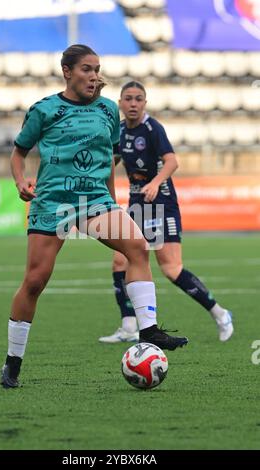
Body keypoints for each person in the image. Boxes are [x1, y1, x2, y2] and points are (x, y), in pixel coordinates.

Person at [0, 46, 188, 389]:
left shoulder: (106, 110)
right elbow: (18, 153)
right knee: (35, 281)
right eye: (87, 69)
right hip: (54, 203)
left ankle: (148, 330)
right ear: (67, 71)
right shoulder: (44, 110)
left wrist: (114, 204)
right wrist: (20, 182)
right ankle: (13, 362)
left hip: (95, 201)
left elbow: (107, 163)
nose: (94, 75)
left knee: (136, 245)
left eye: (97, 69)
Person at [99, 81, 233, 344]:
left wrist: (155, 182)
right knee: (119, 261)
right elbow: (110, 164)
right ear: (121, 103)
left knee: (171, 268)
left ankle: (220, 313)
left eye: (138, 99)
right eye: (128, 99)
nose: (133, 104)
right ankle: (128, 326)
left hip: (162, 202)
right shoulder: (120, 131)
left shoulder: (152, 128)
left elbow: (172, 161)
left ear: (145, 103)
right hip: (137, 203)